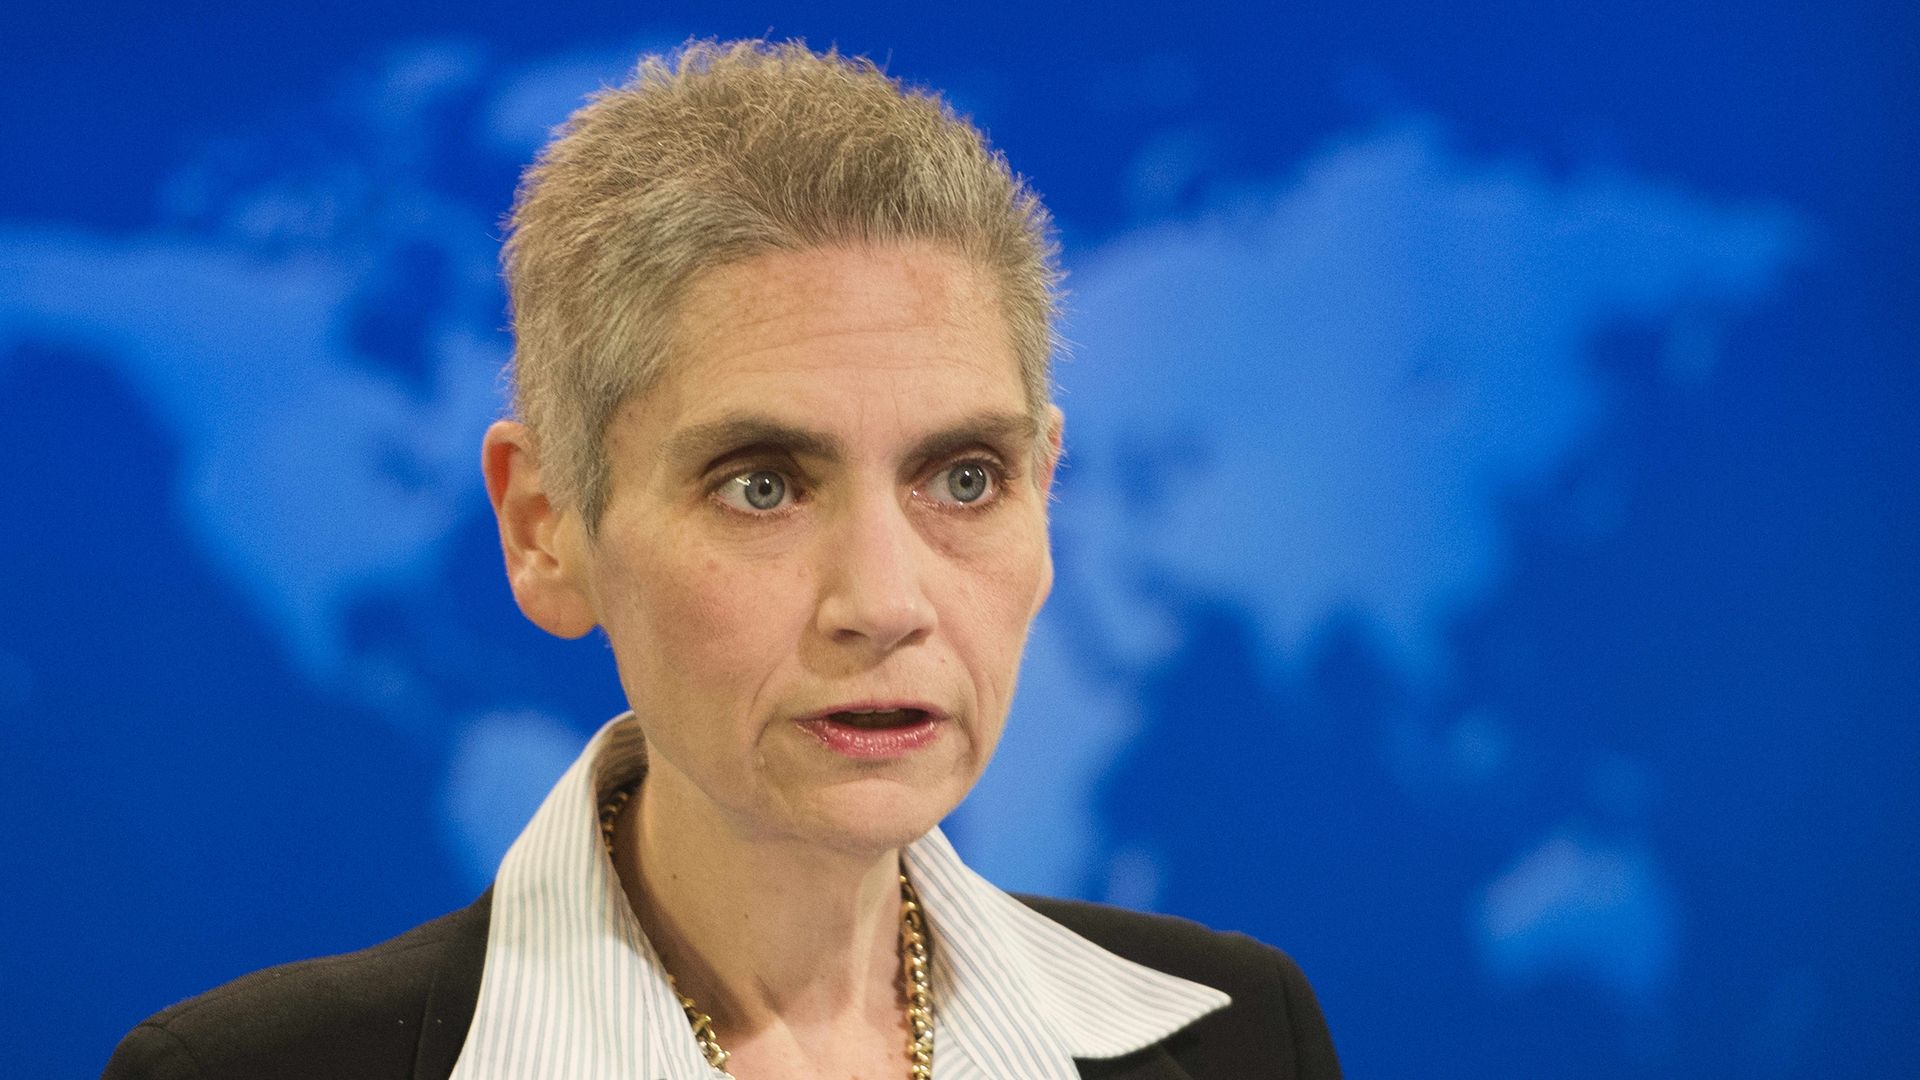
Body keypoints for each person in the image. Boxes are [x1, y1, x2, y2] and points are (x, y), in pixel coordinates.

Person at [103, 39, 1341, 1080]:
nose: (886, 603)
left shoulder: (1243, 1034)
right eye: (762, 487)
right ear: (544, 527)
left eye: (965, 479)